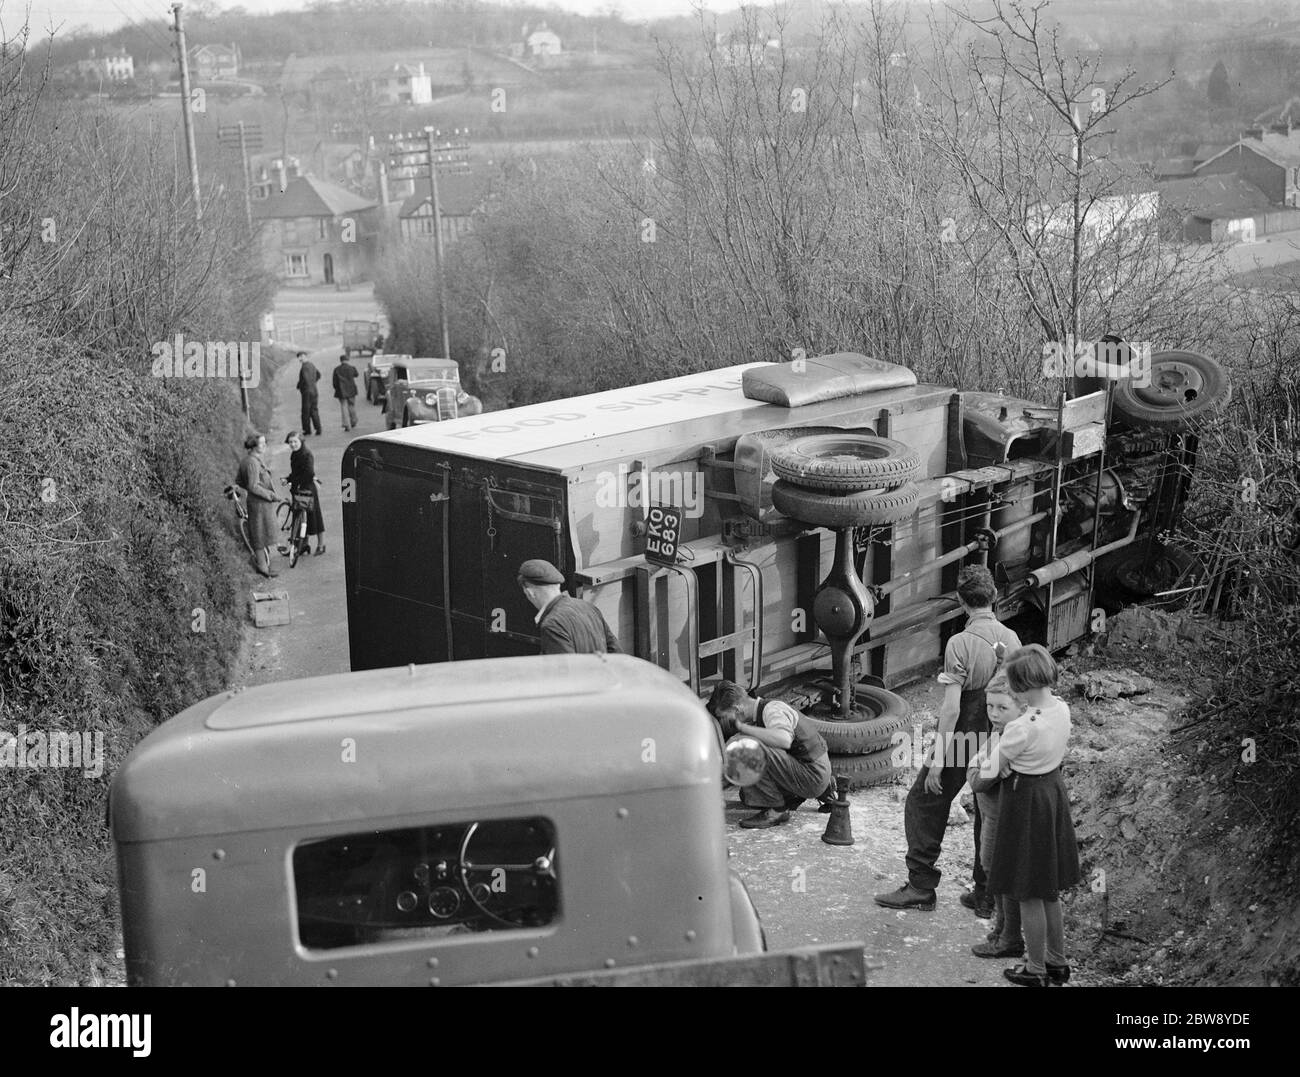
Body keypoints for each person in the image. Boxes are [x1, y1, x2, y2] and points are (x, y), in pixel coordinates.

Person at [874, 565, 1021, 912]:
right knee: (987, 812)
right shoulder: (1013, 639)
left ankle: (921, 886)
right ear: (995, 597)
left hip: (966, 734)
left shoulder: (960, 643)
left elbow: (952, 710)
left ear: (960, 601)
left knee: (923, 802)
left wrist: (939, 762)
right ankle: (984, 895)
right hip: (1000, 734)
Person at [984, 645, 1080, 987]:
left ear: (1022, 686)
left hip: (1025, 799)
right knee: (1049, 888)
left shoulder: (1022, 727)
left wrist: (995, 765)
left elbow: (989, 770)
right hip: (1052, 792)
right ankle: (1058, 961)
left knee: (1027, 891)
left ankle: (1036, 969)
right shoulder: (1063, 710)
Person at [706, 681, 836, 829]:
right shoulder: (766, 709)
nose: (726, 722)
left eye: (725, 717)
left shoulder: (772, 711)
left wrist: (743, 728)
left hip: (813, 776)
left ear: (737, 709)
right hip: (816, 770)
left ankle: (777, 811)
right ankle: (821, 790)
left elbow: (784, 740)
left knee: (745, 747)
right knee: (748, 796)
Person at [966, 670, 1024, 959]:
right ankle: (1003, 929)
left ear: (1021, 707)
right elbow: (978, 767)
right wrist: (979, 766)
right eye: (990, 706)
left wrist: (978, 767)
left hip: (1002, 816)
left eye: (1002, 707)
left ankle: (1010, 935)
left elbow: (977, 779)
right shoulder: (999, 731)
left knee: (1000, 872)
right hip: (991, 812)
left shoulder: (1010, 740)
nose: (994, 713)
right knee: (991, 868)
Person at [516, 559, 622, 655]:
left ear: (529, 593)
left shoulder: (551, 625)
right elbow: (616, 652)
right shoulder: (588, 607)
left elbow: (564, 672)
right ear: (557, 585)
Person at [235, 432, 285, 578]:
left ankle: (263, 565)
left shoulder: (248, 460)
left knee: (260, 534)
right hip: (259, 504)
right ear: (253, 446)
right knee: (259, 535)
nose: (264, 446)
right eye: (262, 444)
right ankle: (262, 566)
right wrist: (271, 495)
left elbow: (239, 481)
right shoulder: (252, 462)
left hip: (257, 502)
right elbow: (253, 486)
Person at [285, 430, 326, 556]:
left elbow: (309, 474)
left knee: (314, 516)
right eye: (290, 442)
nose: (293, 444)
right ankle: (303, 544)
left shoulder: (307, 454)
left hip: (308, 488)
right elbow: (295, 473)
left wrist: (295, 481)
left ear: (301, 441)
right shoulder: (294, 454)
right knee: (299, 516)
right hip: (299, 488)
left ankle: (321, 545)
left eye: (295, 441)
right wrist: (288, 479)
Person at [296, 352, 322, 436]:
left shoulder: (304, 367)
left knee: (305, 411)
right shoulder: (312, 365)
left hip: (307, 392)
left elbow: (305, 380)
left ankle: (307, 430)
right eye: (299, 357)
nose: (300, 359)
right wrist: (313, 383)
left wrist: (301, 386)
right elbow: (319, 375)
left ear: (305, 357)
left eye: (301, 357)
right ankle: (318, 429)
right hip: (314, 390)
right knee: (314, 410)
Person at [333, 353, 359, 431]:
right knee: (351, 405)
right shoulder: (352, 368)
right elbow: (356, 374)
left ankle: (346, 424)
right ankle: (353, 421)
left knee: (343, 407)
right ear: (347, 360)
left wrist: (337, 388)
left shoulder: (337, 369)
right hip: (351, 390)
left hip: (341, 391)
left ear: (340, 361)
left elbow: (334, 382)